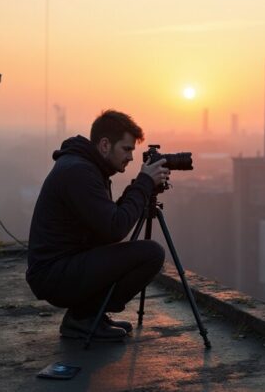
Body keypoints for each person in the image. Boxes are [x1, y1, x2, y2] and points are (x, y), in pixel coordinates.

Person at [26, 110, 170, 341]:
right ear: (105, 145)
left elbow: (104, 228)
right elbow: (115, 228)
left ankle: (89, 315)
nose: (131, 158)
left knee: (135, 253)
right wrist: (143, 184)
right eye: (126, 149)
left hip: (62, 266)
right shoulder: (79, 172)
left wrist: (138, 190)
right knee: (151, 253)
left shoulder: (86, 167)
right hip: (54, 274)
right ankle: (84, 318)